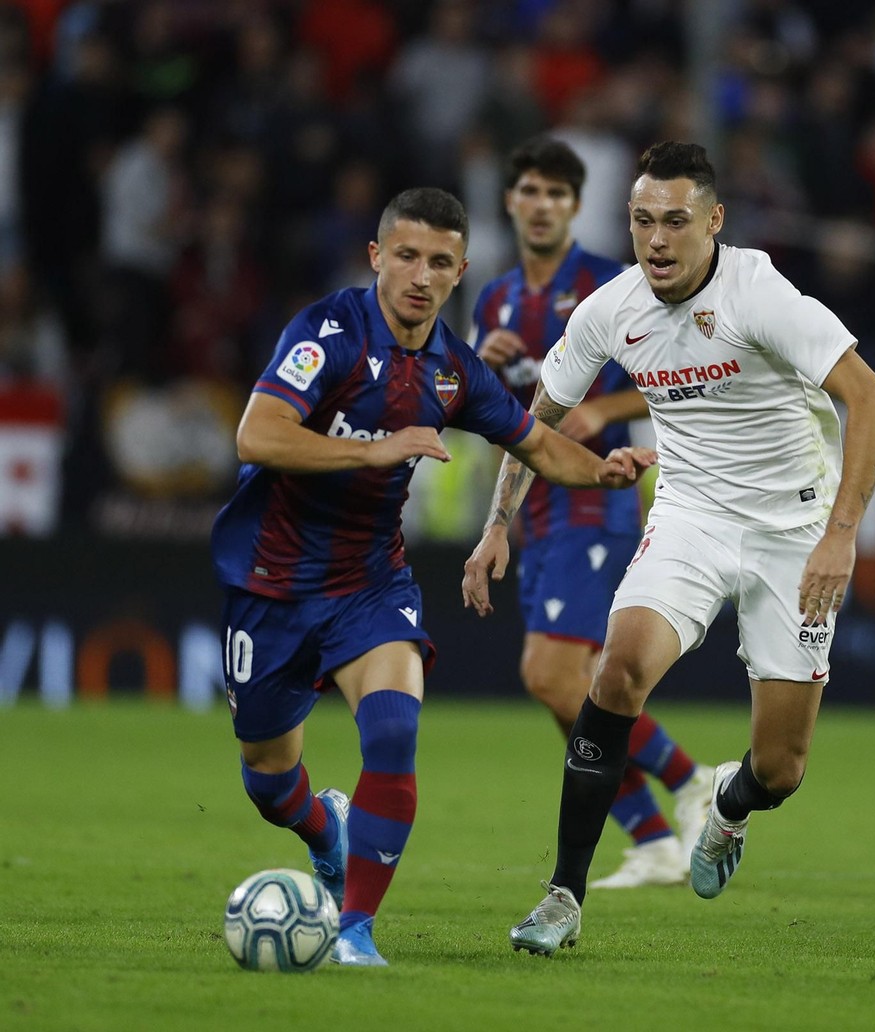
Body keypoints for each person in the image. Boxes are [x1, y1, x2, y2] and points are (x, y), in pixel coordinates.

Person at [461, 142, 875, 956]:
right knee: (616, 669)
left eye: (674, 221)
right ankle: (563, 893)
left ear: (714, 223)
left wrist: (840, 537)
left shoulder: (759, 292)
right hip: (691, 517)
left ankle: (727, 805)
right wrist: (497, 526)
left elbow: (873, 402)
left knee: (781, 768)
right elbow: (532, 422)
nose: (656, 240)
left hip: (794, 532)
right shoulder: (609, 308)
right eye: (641, 221)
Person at [211, 187, 653, 967]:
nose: (421, 275)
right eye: (407, 256)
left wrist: (606, 472)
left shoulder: (451, 370)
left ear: (460, 273)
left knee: (392, 731)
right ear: (377, 256)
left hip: (369, 585)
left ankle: (353, 933)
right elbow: (258, 435)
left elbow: (537, 445)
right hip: (271, 584)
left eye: (440, 262)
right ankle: (325, 830)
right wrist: (373, 450)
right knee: (268, 782)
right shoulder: (327, 332)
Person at [467, 137, 713, 889]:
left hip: (594, 499)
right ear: (510, 202)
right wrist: (481, 363)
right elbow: (490, 411)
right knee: (562, 684)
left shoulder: (616, 282)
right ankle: (653, 835)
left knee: (550, 673)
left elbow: (685, 371)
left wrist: (601, 403)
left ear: (576, 207)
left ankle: (686, 780)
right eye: (529, 191)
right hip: (534, 510)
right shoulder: (495, 300)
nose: (541, 205)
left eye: (556, 194)